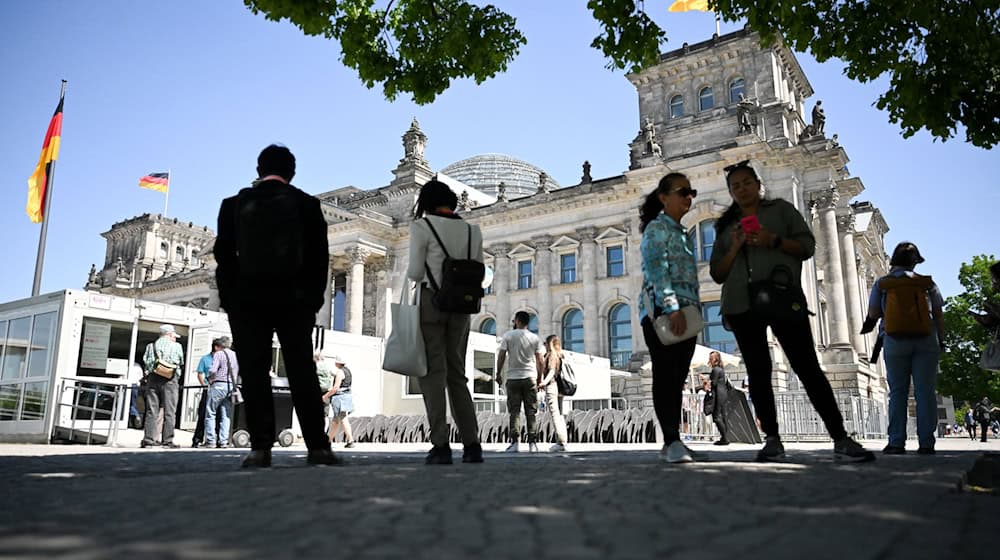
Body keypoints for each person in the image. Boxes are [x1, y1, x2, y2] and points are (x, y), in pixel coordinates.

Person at [709, 161, 874, 462]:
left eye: (746, 182)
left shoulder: (781, 211)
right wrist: (734, 247)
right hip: (741, 304)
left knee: (808, 367)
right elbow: (717, 273)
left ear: (757, 184)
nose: (742, 189)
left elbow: (808, 246)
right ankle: (772, 439)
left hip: (782, 297)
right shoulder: (724, 225)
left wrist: (773, 241)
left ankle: (840, 436)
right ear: (731, 191)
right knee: (759, 374)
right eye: (735, 186)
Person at [214, 144, 340, 468]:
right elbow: (319, 259)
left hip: (248, 302)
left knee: (254, 373)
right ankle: (318, 448)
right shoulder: (307, 205)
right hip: (294, 302)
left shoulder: (233, 205)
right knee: (302, 372)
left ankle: (260, 448)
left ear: (258, 170)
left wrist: (230, 299)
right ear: (292, 172)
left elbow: (224, 257)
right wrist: (313, 300)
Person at [406, 179, 484, 465]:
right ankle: (472, 444)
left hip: (432, 302)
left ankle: (441, 445)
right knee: (457, 374)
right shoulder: (472, 231)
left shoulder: (422, 227)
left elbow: (415, 272)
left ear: (426, 203)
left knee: (432, 375)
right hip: (462, 306)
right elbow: (479, 270)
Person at [638, 172, 701, 463]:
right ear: (664, 197)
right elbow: (656, 270)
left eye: (692, 192)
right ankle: (672, 440)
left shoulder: (682, 234)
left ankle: (673, 441)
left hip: (687, 313)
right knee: (665, 375)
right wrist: (671, 306)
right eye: (682, 191)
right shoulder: (655, 229)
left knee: (677, 378)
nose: (688, 197)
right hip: (664, 311)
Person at [862, 242, 944, 455]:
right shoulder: (927, 284)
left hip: (895, 340)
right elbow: (938, 314)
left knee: (897, 392)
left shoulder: (883, 283)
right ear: (915, 261)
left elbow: (873, 313)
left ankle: (896, 441)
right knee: (925, 392)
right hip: (926, 340)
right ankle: (927, 442)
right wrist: (941, 340)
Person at [497, 311, 545, 453]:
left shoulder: (508, 336)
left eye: (514, 320)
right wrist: (539, 378)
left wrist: (498, 373)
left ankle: (515, 442)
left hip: (513, 377)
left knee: (514, 411)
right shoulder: (535, 338)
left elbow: (501, 356)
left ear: (517, 321)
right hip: (530, 377)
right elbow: (540, 360)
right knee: (531, 411)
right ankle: (532, 442)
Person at [141, 324, 184, 449]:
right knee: (170, 411)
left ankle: (149, 440)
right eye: (174, 336)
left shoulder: (151, 346)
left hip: (153, 378)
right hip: (170, 379)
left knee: (151, 410)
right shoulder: (177, 346)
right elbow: (179, 361)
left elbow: (147, 362)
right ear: (170, 334)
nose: (175, 338)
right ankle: (167, 440)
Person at [204, 337, 239, 448]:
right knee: (226, 415)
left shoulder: (219, 354)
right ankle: (223, 441)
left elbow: (213, 370)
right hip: (230, 386)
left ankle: (211, 440)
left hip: (219, 385)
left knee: (211, 413)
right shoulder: (235, 355)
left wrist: (210, 378)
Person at [539, 335, 569, 452]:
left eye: (545, 343)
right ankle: (563, 441)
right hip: (560, 387)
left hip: (552, 386)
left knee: (555, 414)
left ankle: (561, 442)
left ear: (549, 344)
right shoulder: (560, 355)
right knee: (560, 414)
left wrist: (543, 382)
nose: (544, 345)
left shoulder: (552, 355)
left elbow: (551, 371)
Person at [322, 356, 356, 448]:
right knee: (337, 420)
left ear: (337, 363)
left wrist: (325, 396)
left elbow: (336, 388)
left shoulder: (340, 372)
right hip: (347, 396)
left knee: (342, 418)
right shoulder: (348, 371)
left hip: (340, 398)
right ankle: (328, 440)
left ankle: (350, 440)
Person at [192, 345, 214, 447]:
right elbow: (200, 373)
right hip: (208, 388)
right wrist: (204, 385)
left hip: (217, 388)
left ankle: (213, 438)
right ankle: (197, 438)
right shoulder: (205, 359)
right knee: (203, 413)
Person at [708, 351, 730, 446]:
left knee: (716, 417)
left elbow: (714, 383)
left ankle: (724, 438)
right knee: (722, 416)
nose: (709, 360)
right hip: (723, 394)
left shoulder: (716, 370)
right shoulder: (720, 369)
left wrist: (706, 380)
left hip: (718, 394)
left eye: (710, 358)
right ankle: (725, 437)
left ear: (715, 359)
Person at [127, 360, 144, 430]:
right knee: (134, 403)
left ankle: (135, 415)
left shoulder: (127, 365)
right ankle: (136, 416)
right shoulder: (138, 365)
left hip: (127, 384)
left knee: (127, 404)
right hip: (135, 385)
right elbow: (141, 376)